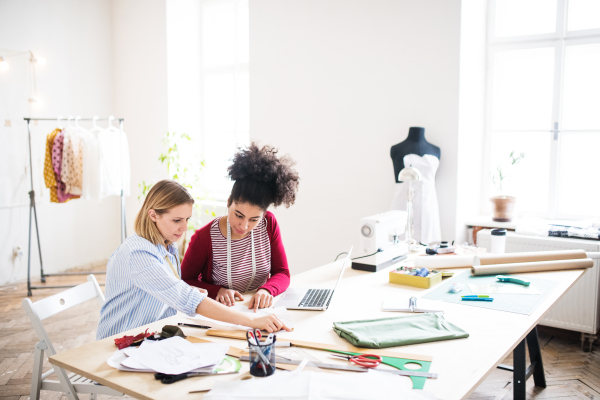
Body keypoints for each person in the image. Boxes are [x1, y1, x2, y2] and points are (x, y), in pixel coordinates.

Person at [96, 180, 290, 340]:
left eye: (187, 219)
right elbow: (185, 299)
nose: (184, 228)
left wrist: (190, 290)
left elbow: (170, 291)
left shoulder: (166, 247)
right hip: (119, 344)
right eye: (177, 220)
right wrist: (252, 321)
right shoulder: (138, 254)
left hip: (150, 336)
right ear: (153, 215)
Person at [181, 143, 299, 311]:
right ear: (229, 202)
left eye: (254, 219)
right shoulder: (205, 237)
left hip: (258, 311)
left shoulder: (269, 224)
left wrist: (267, 290)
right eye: (238, 215)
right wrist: (217, 291)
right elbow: (184, 282)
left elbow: (282, 272)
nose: (244, 226)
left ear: (264, 215)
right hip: (221, 313)